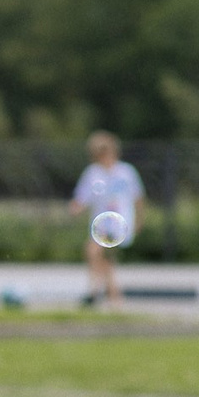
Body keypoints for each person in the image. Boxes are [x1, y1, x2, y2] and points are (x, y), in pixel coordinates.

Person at [68, 131, 143, 309]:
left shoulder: (126, 172)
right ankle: (113, 298)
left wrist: (139, 221)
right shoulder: (93, 173)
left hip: (120, 224)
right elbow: (83, 196)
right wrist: (76, 207)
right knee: (106, 261)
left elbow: (138, 198)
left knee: (93, 251)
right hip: (101, 224)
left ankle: (95, 292)